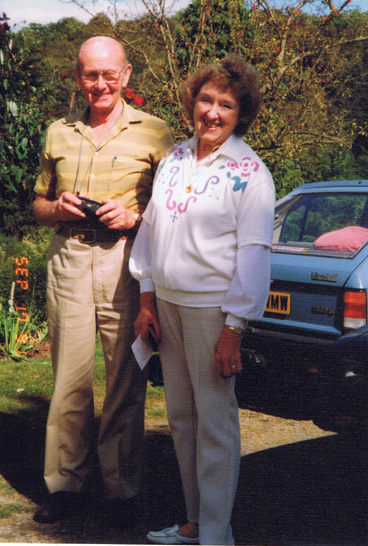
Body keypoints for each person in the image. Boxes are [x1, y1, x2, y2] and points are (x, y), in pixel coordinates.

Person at [129, 55, 275, 545]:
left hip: (212, 313)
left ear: (241, 114)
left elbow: (253, 257)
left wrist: (234, 329)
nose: (213, 112)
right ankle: (193, 525)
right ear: (193, 102)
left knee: (214, 426)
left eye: (226, 105)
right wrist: (146, 297)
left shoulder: (250, 172)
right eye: (206, 99)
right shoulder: (173, 157)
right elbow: (149, 229)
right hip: (166, 308)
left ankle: (216, 534)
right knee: (182, 420)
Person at [32, 36, 173, 524]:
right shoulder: (58, 132)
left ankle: (122, 491)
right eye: (90, 74)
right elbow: (38, 204)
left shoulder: (157, 133)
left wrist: (134, 218)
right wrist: (56, 207)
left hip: (126, 266)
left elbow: (175, 207)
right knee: (69, 381)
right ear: (77, 78)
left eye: (109, 74)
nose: (100, 84)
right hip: (69, 258)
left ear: (127, 75)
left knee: (125, 380)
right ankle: (65, 486)